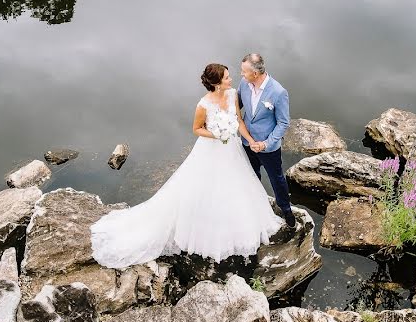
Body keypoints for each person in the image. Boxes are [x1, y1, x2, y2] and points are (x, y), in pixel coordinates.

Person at [90, 63, 284, 269]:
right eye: (227, 77)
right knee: (205, 189)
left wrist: (250, 140)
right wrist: (217, 134)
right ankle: (206, 231)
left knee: (235, 186)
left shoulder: (232, 95)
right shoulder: (203, 105)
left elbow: (238, 121)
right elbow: (196, 129)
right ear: (217, 83)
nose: (231, 79)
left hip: (231, 149)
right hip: (211, 149)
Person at [238, 53, 296, 227]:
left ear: (255, 74)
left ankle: (286, 209)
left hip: (268, 147)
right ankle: (254, 206)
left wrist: (266, 143)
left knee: (276, 178)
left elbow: (283, 123)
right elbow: (236, 106)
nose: (241, 75)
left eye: (244, 72)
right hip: (247, 142)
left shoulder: (278, 92)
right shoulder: (244, 84)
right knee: (251, 174)